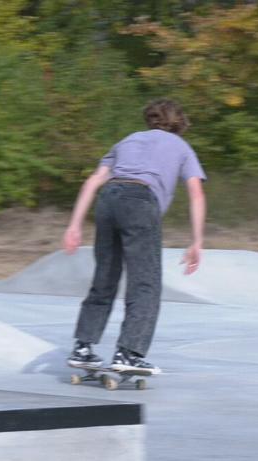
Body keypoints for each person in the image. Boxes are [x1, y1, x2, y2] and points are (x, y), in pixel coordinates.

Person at [63, 99, 207, 374]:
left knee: (105, 277)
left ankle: (83, 347)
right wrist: (197, 240)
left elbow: (93, 180)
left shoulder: (128, 140)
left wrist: (74, 225)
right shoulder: (182, 147)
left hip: (109, 198)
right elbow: (196, 193)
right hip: (140, 201)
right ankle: (128, 352)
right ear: (179, 123)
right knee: (145, 282)